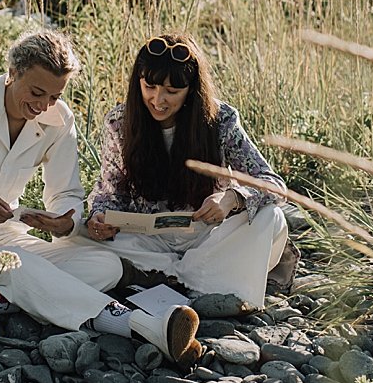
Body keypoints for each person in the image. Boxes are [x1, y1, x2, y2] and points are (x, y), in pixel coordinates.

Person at [0, 29, 202, 365]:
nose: (43, 105)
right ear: (12, 72)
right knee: (17, 267)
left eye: (54, 96)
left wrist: (64, 220)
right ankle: (141, 326)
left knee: (104, 265)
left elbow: (66, 193)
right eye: (36, 92)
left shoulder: (59, 120)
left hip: (8, 239)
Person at [81, 33, 290, 309]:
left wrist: (232, 198)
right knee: (77, 234)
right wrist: (99, 217)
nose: (159, 100)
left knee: (271, 218)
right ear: (138, 83)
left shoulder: (221, 119)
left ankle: (166, 281)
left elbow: (272, 184)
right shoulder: (120, 122)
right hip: (147, 241)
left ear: (191, 89)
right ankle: (200, 283)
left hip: (209, 238)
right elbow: (109, 192)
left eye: (172, 91)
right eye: (150, 87)